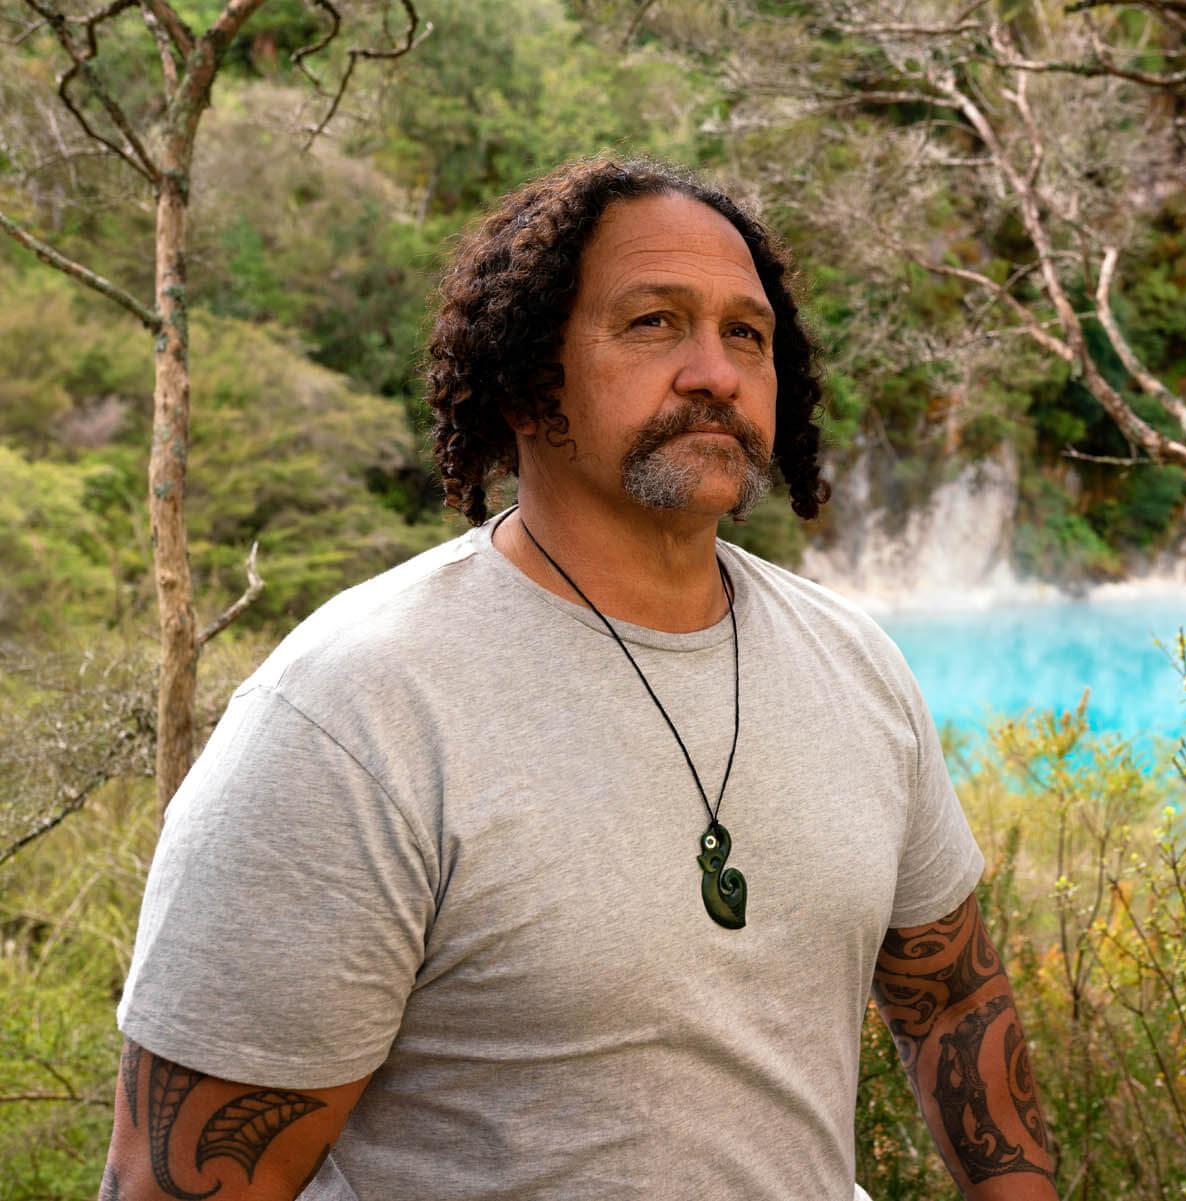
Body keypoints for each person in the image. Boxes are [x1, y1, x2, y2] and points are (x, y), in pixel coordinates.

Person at [100, 158, 1060, 1201]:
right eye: (654, 323)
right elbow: (179, 1179)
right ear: (524, 378)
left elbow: (953, 1004)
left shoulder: (856, 665)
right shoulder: (356, 712)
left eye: (748, 334)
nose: (715, 373)